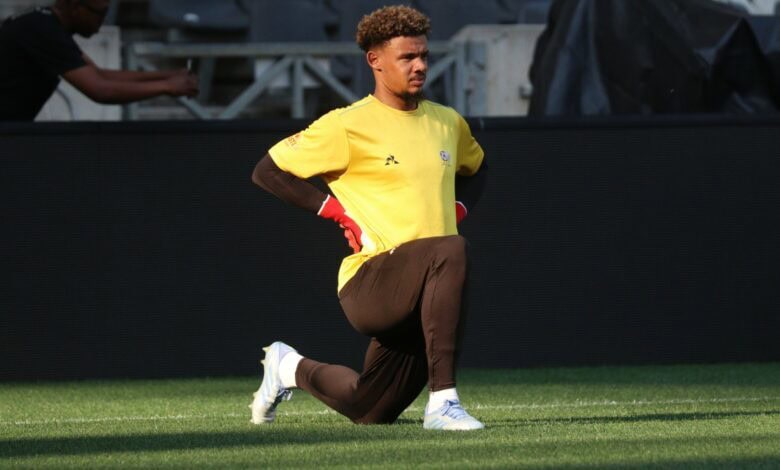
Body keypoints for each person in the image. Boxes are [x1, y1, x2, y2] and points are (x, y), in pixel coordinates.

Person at [250, 5, 488, 431]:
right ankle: (444, 402)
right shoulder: (346, 125)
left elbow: (478, 168)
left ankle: (287, 366)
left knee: (370, 410)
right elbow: (267, 171)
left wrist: (459, 207)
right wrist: (334, 211)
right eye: (407, 57)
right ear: (375, 60)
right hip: (371, 284)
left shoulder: (448, 122)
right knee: (452, 249)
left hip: (426, 296)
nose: (420, 66)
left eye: (424, 55)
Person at [0, 0, 198, 121]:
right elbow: (101, 90)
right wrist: (167, 87)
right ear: (75, 6)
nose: (102, 21)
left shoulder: (45, 23)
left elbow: (100, 74)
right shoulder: (43, 30)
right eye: (100, 13)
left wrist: (168, 75)